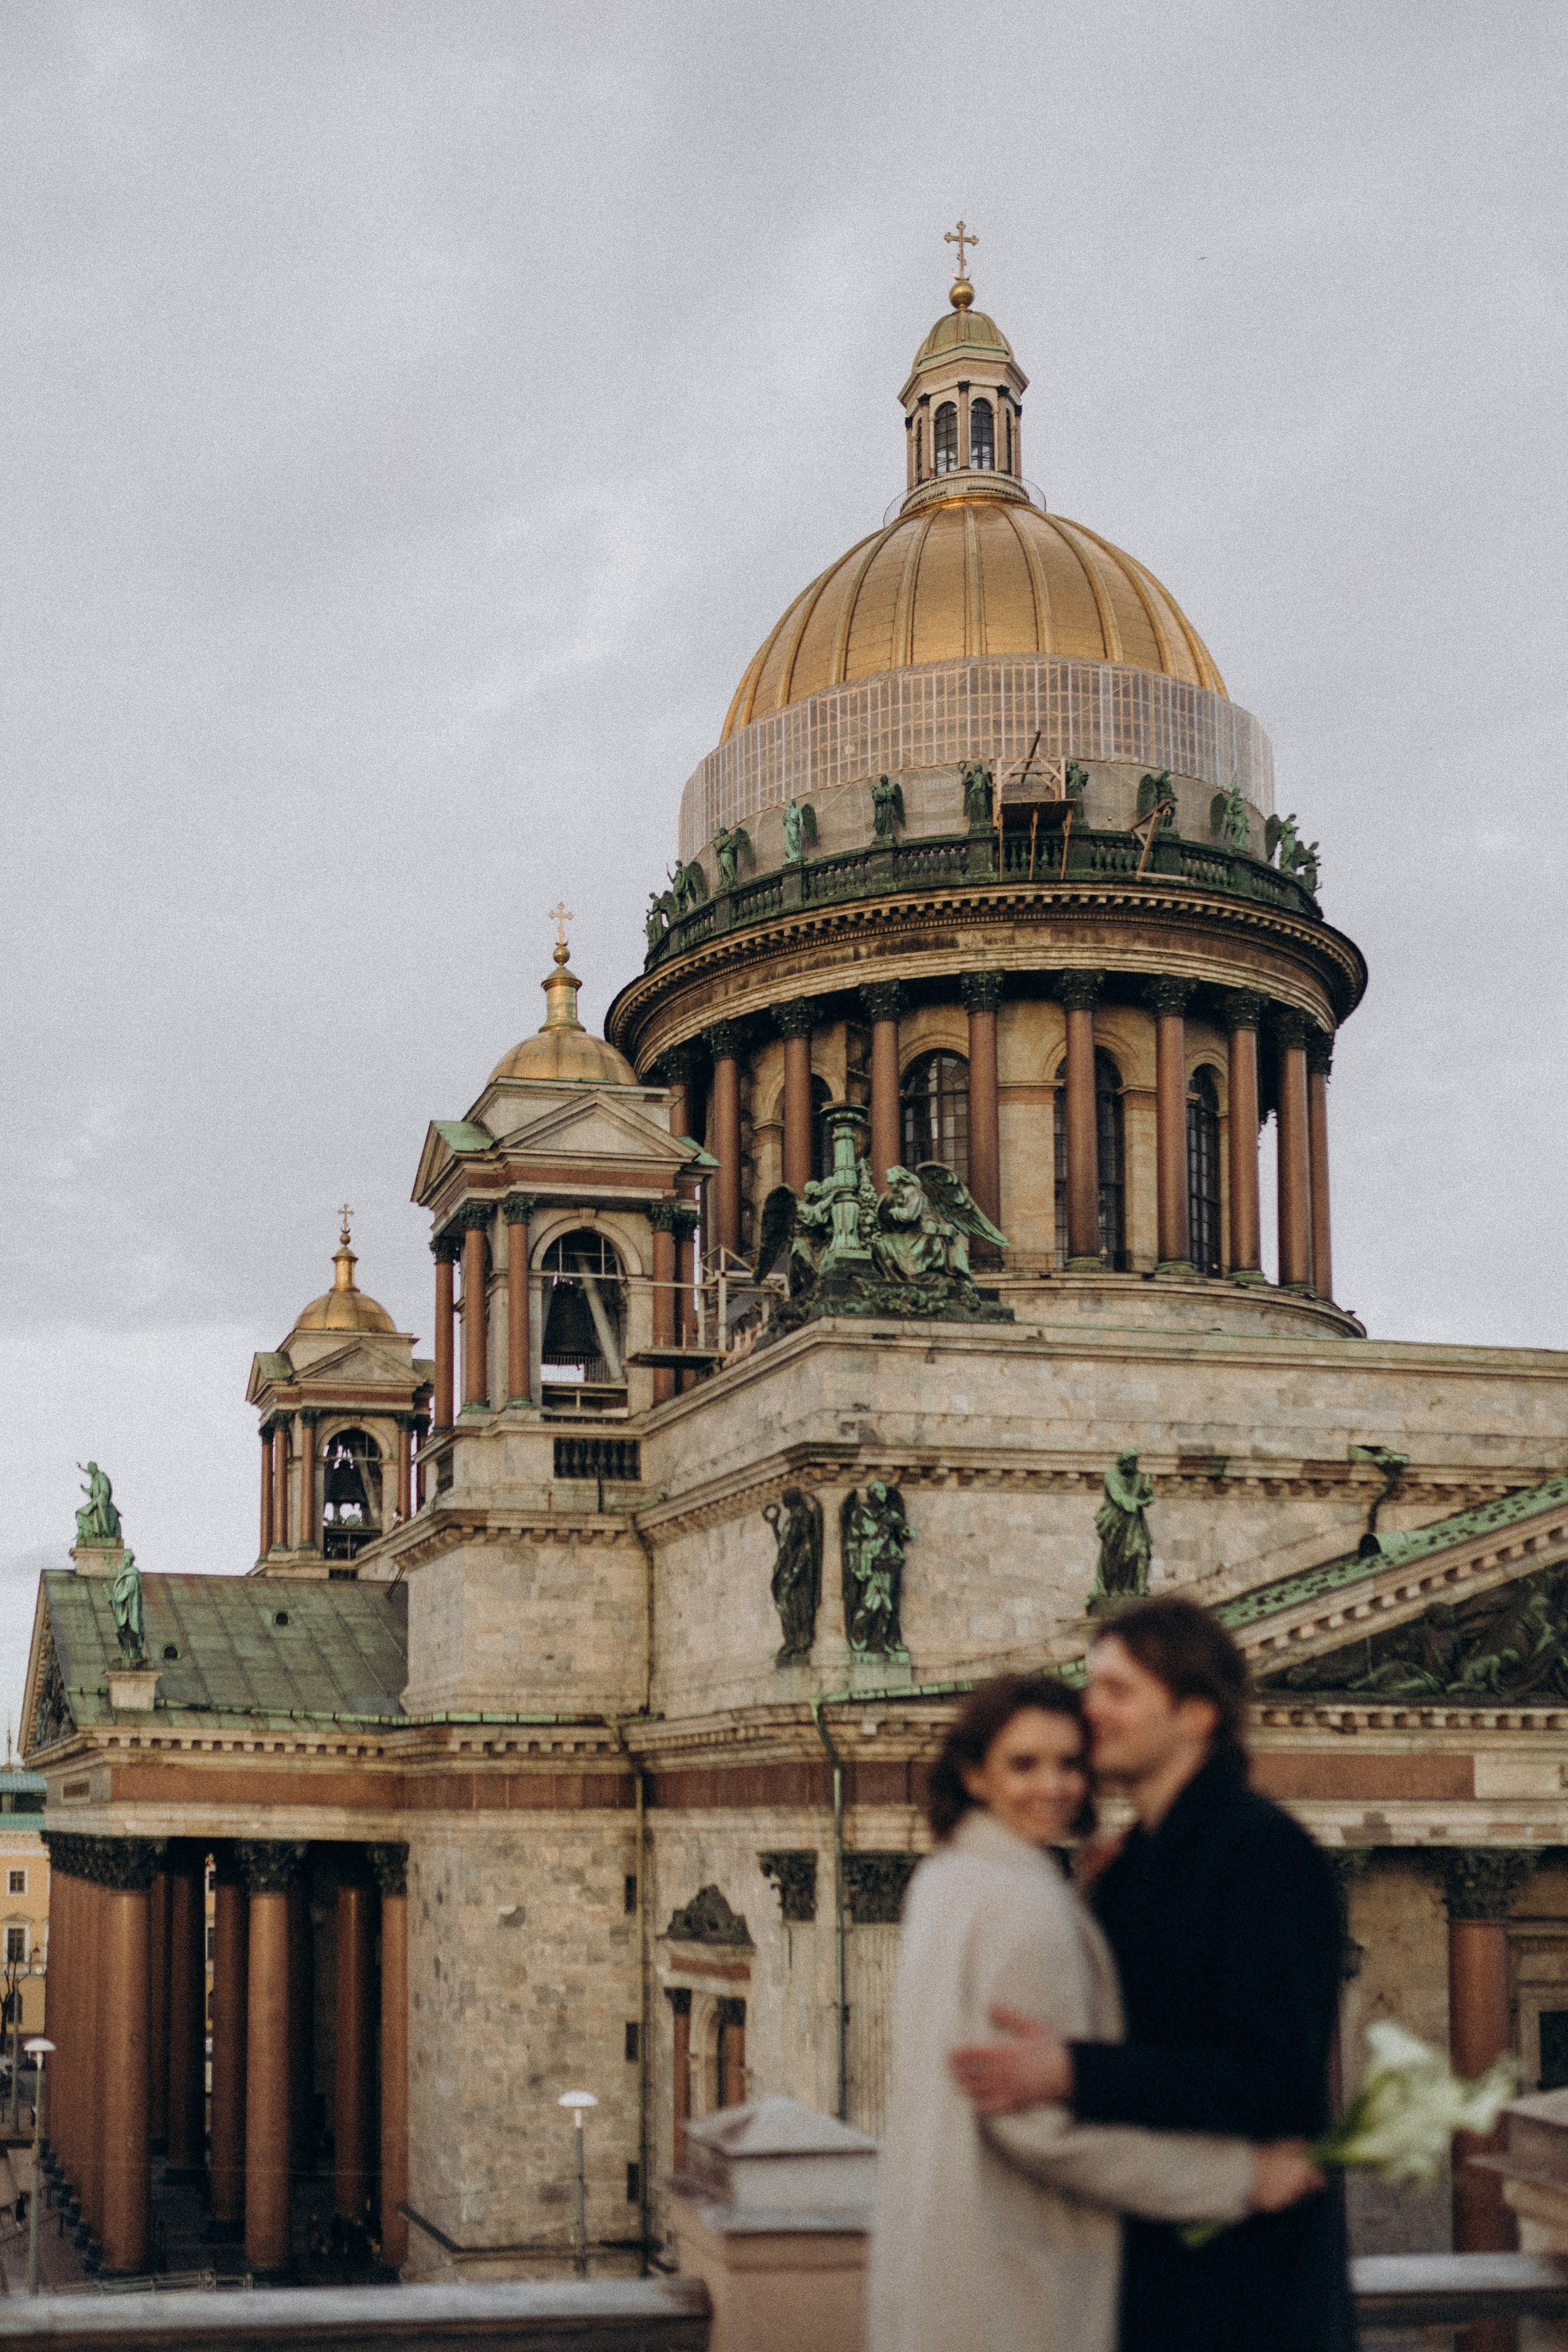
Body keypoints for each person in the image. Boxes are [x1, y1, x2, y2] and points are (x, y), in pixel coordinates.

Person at [869, 1672, 1319, 2352]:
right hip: (1019, 2288)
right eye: (1024, 1764)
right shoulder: (1025, 1906)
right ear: (975, 1774)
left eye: (1069, 1764)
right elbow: (1041, 2133)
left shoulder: (945, 1880)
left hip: (937, 2263)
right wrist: (1238, 2178)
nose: (1053, 1787)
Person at [951, 1600, 1353, 2352]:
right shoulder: (1128, 1863)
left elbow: (1274, 2079)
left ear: (1197, 1713)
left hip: (1244, 2296)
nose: (1089, 1710)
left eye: (1117, 1689)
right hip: (1148, 2283)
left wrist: (1073, 2070)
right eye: (1090, 1685)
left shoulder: (1265, 1855)